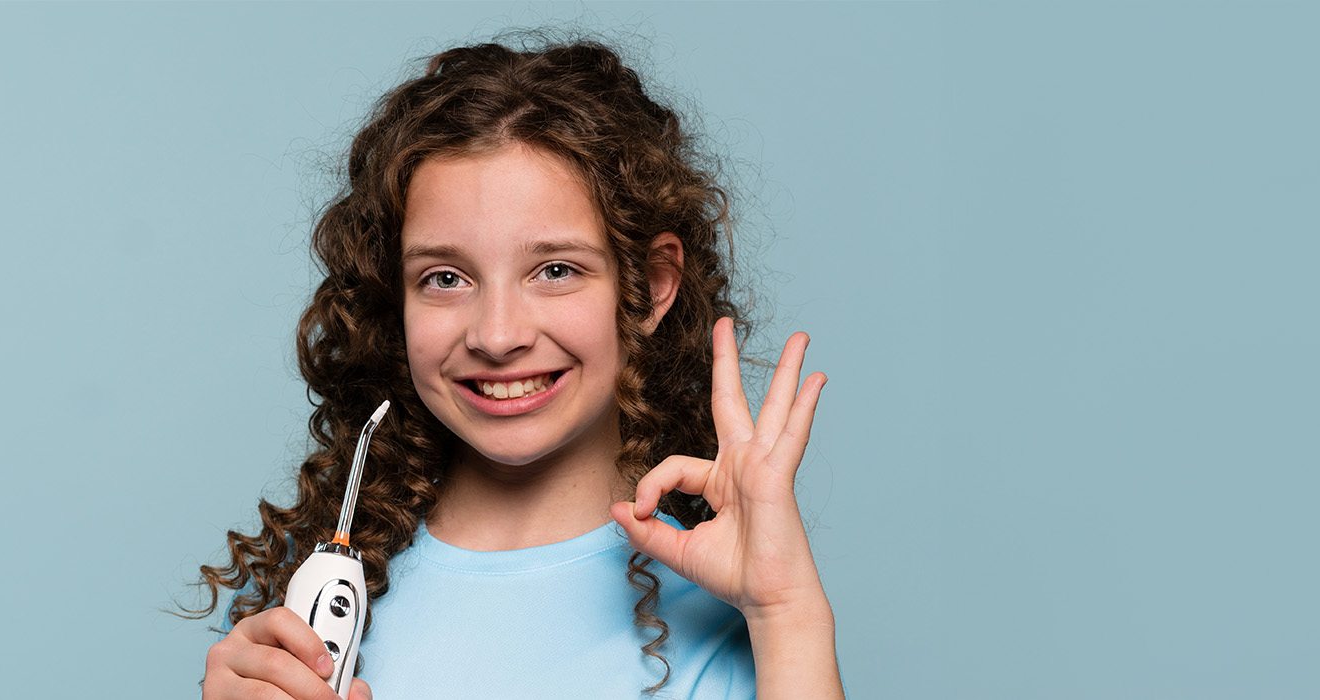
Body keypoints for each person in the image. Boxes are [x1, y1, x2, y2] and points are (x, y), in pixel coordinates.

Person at [181, 38, 842, 700]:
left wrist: (788, 616)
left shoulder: (743, 621)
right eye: (444, 277)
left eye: (555, 270)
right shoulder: (321, 610)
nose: (497, 336)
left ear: (651, 286)